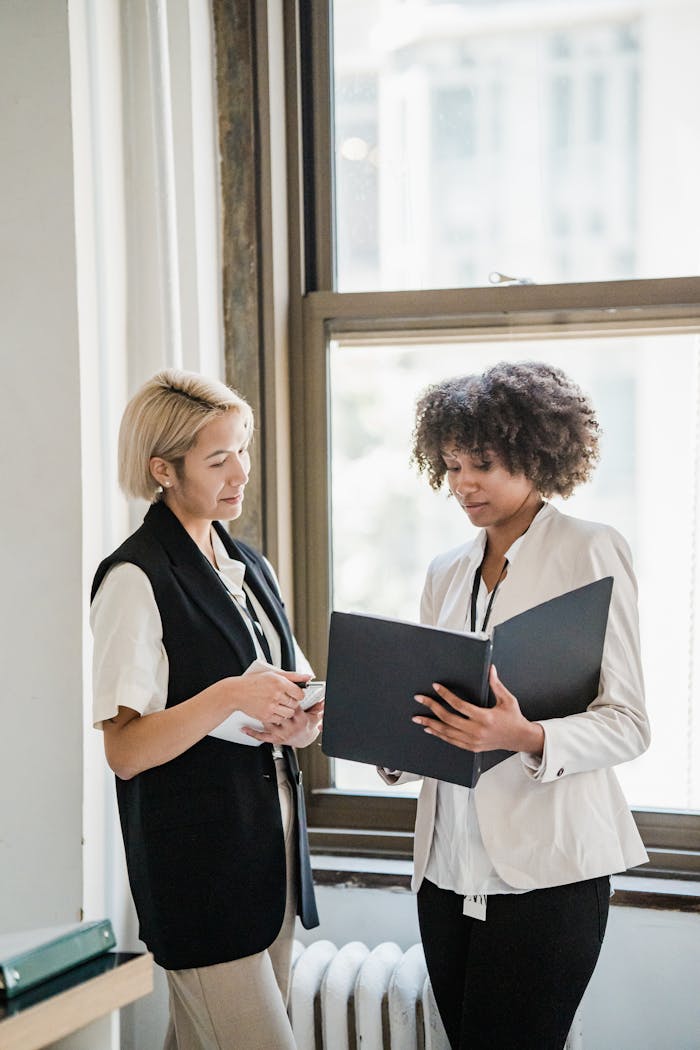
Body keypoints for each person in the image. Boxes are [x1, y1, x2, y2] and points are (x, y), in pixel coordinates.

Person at [382, 361, 650, 1050]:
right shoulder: (445, 570)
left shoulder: (591, 550)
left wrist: (528, 735)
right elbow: (440, 712)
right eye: (450, 465)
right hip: (445, 874)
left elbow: (628, 723)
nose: (462, 482)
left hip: (548, 877)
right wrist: (391, 743)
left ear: (537, 455)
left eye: (483, 464)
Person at [90, 369, 322, 1050]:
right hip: (199, 870)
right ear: (163, 469)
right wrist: (226, 694)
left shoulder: (250, 564)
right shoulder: (134, 578)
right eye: (218, 459)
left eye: (242, 449)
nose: (240, 472)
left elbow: (287, 686)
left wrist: (301, 718)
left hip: (269, 856)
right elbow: (124, 750)